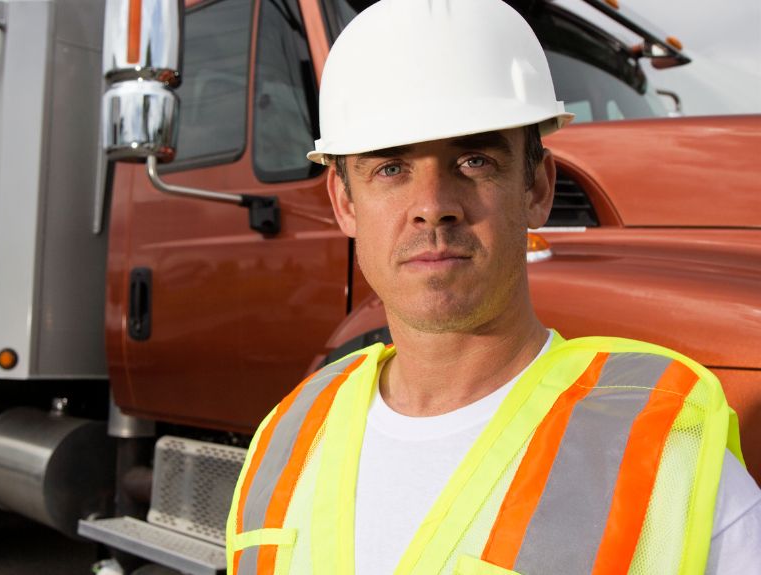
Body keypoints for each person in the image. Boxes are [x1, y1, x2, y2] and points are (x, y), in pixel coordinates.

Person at [225, 0, 761, 573]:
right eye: (390, 168)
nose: (432, 207)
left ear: (537, 187)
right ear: (343, 202)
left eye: (475, 160)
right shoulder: (285, 437)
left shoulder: (658, 448)